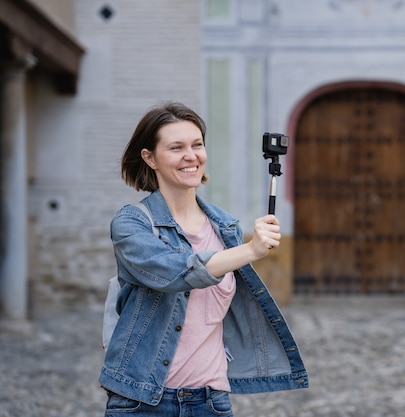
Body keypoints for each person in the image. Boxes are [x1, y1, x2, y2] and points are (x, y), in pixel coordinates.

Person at [99, 101, 308, 417]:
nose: (191, 156)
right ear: (150, 158)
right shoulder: (132, 224)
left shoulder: (225, 227)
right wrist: (250, 251)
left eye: (197, 145)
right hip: (143, 401)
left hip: (211, 401)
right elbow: (177, 273)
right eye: (176, 147)